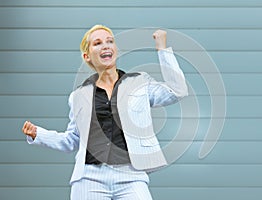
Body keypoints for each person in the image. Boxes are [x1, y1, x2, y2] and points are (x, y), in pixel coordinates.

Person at [22, 24, 188, 200]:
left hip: (131, 175)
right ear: (87, 56)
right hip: (89, 178)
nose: (106, 46)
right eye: (98, 43)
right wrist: (38, 134)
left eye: (110, 41)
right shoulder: (78, 96)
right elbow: (72, 140)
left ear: (115, 49)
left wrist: (162, 49)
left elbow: (177, 90)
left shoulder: (139, 83)